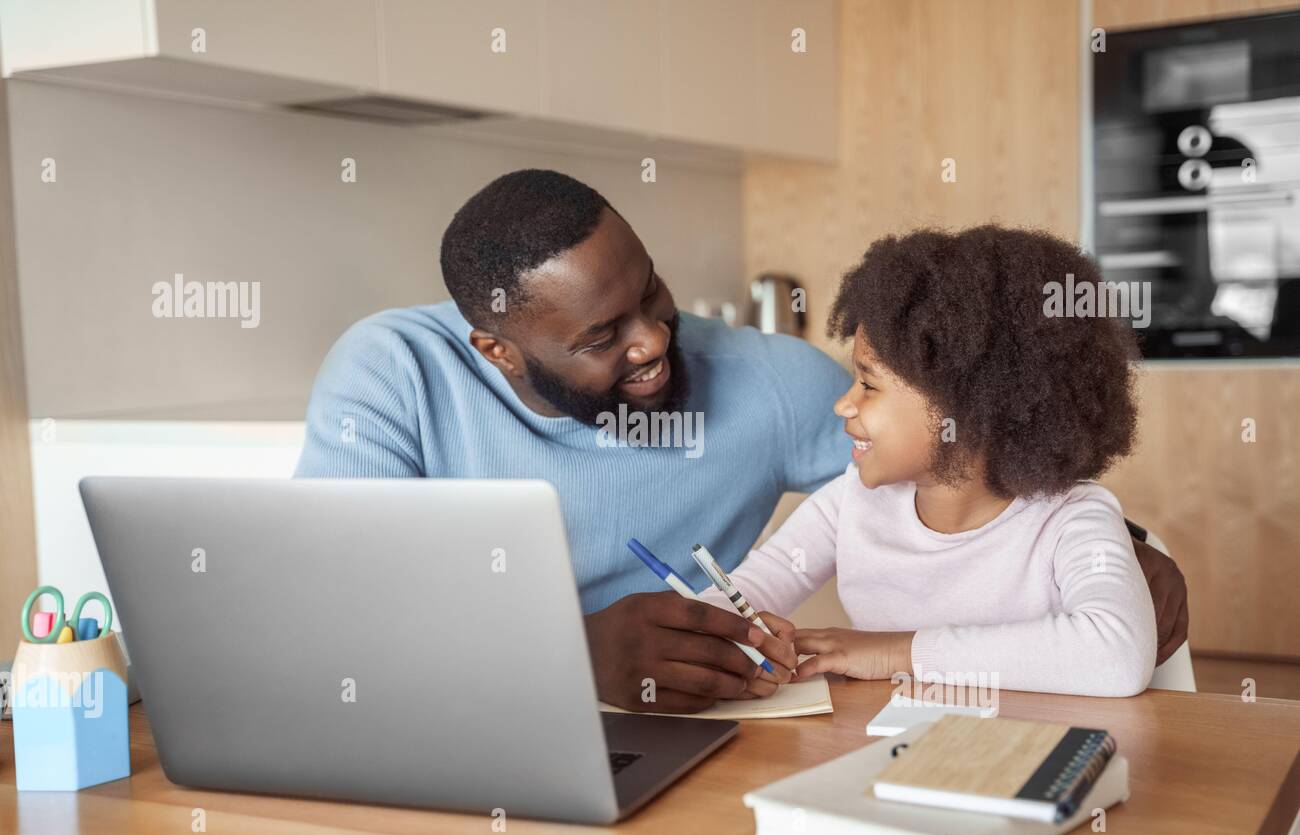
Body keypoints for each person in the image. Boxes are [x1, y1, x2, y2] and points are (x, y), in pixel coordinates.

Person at [296, 169, 1190, 712]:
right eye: (602, 339)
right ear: (494, 349)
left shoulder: (768, 382)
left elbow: (979, 448)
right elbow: (330, 633)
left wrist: (1133, 557)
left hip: (684, 727)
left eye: (651, 294)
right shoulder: (391, 373)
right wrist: (573, 655)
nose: (651, 343)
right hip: (463, 717)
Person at [701, 226, 1158, 696]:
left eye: (869, 384)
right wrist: (724, 641)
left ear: (967, 405)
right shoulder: (847, 505)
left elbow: (1117, 657)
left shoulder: (1070, 518)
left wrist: (896, 652)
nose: (844, 404)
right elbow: (742, 595)